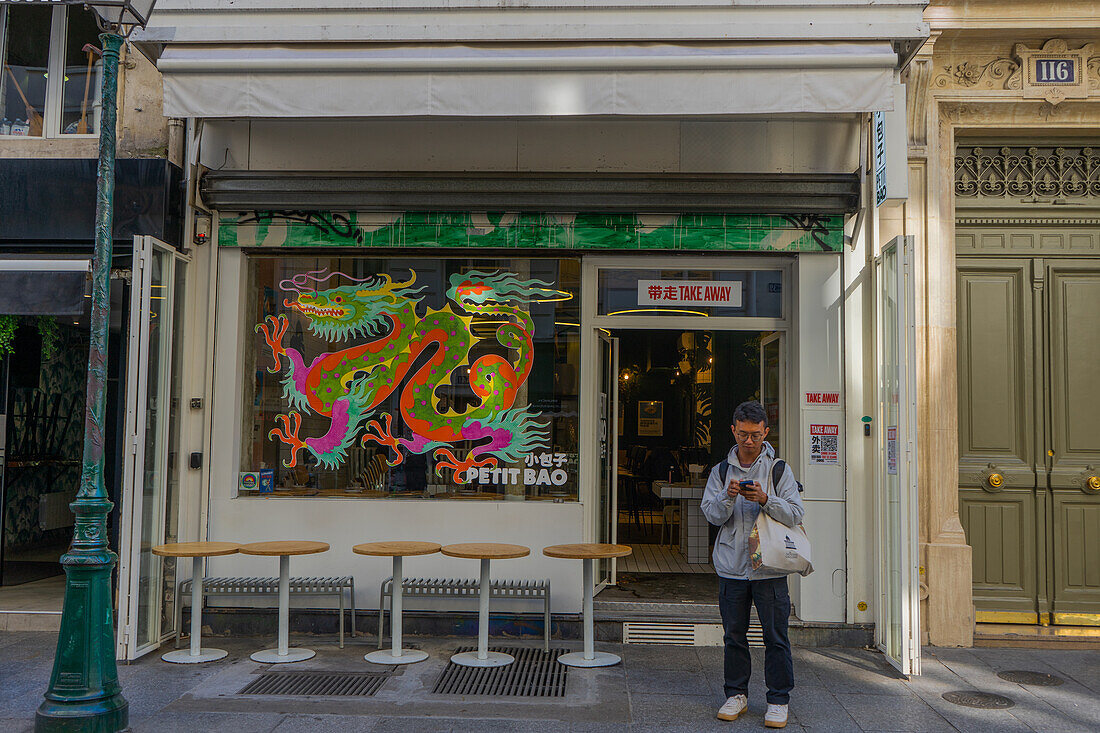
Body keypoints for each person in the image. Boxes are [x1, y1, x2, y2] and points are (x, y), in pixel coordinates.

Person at [700, 400, 804, 729]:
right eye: (743, 434)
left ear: (766, 432)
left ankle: (778, 699)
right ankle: (736, 694)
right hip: (732, 567)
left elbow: (796, 513)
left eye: (756, 435)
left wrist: (764, 498)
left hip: (769, 569)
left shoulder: (779, 470)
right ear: (733, 430)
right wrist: (728, 496)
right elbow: (712, 515)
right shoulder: (720, 471)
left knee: (776, 636)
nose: (749, 441)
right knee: (733, 635)